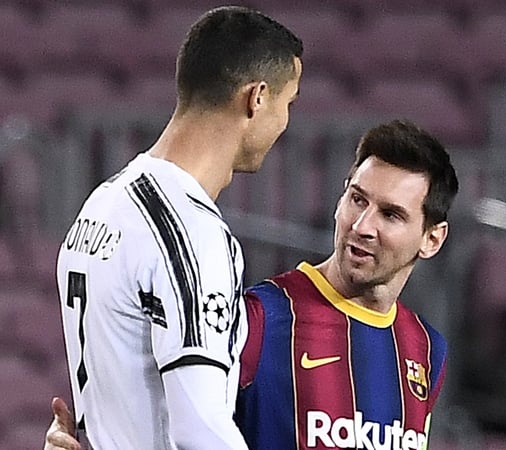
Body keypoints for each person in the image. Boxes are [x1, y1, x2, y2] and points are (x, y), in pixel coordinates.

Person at [47, 120, 459, 450]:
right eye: (357, 199)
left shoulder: (426, 349)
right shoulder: (259, 317)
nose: (363, 225)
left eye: (390, 215)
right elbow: (161, 419)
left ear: (432, 239)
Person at [54, 6, 302, 449]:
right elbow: (199, 428)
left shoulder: (103, 204)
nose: (285, 122)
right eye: (289, 103)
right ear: (257, 97)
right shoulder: (190, 232)